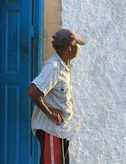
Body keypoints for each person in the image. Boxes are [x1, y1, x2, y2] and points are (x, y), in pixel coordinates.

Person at [27, 29, 86, 164]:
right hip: (52, 131)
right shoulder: (53, 67)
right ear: (70, 47)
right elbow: (33, 92)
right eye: (76, 45)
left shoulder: (64, 66)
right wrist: (50, 113)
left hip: (60, 132)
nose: (78, 49)